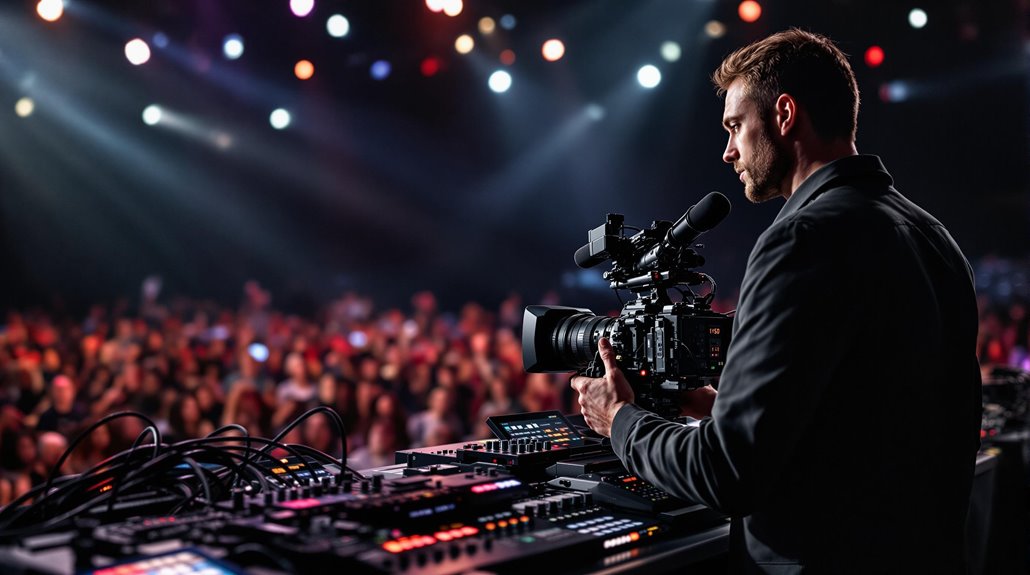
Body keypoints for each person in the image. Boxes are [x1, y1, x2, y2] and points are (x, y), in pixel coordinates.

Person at [571, 29, 981, 572]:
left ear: (784, 114)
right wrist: (721, 407)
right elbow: (869, 419)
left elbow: (727, 473)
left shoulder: (802, 238)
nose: (727, 150)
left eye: (736, 126)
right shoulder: (933, 236)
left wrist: (619, 417)